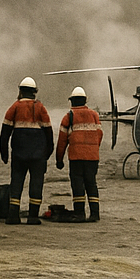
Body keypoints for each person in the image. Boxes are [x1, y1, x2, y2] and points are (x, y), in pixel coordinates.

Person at [0, 76, 54, 225]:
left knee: (16, 183)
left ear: (21, 91)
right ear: (34, 92)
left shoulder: (14, 107)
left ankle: (13, 216)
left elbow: (4, 133)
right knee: (36, 183)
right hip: (38, 156)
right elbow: (49, 132)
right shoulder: (40, 108)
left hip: (19, 154)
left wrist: (4, 153)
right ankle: (33, 217)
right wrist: (48, 152)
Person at [56, 85, 104, 222]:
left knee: (77, 184)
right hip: (92, 157)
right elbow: (100, 134)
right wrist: (93, 148)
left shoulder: (68, 117)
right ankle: (95, 214)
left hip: (76, 157)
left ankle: (79, 213)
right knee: (91, 183)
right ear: (85, 101)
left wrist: (59, 160)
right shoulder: (94, 115)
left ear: (72, 101)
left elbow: (62, 141)